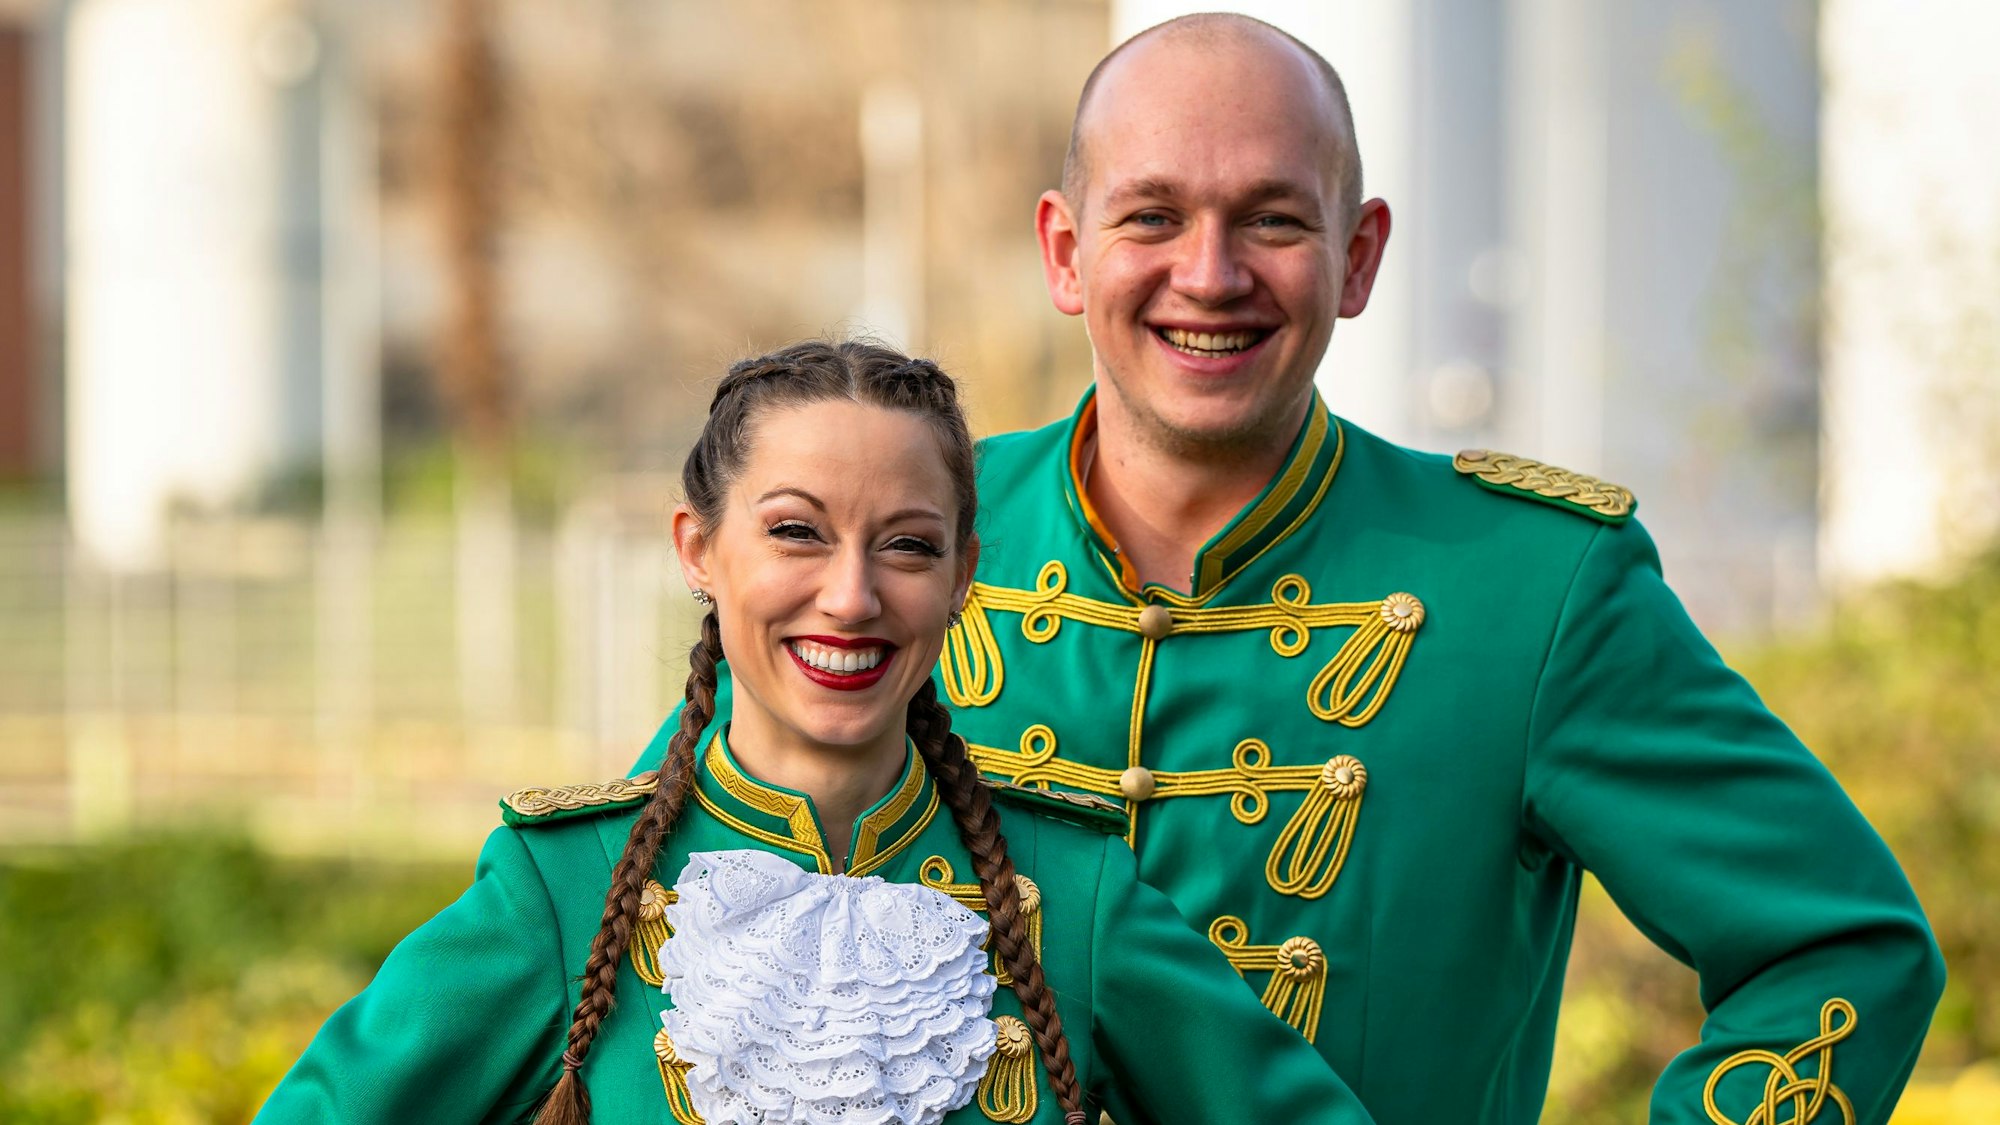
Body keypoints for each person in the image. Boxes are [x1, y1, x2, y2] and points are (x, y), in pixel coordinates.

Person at [924, 12, 1942, 1124]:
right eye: (1152, 216)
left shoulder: (1535, 589)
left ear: (1356, 257)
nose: (1208, 275)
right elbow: (717, 887)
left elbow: (1839, 946)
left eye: (1269, 219)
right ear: (1066, 252)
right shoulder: (893, 546)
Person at [254, 340, 1377, 1125]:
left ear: (959, 578)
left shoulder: (1071, 894)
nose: (849, 597)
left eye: (905, 546)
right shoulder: (562, 885)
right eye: (795, 532)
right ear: (698, 549)